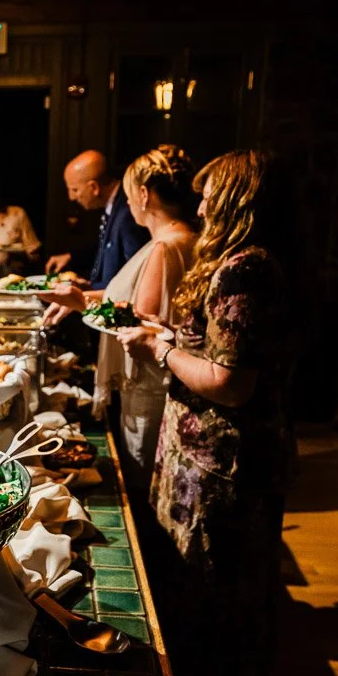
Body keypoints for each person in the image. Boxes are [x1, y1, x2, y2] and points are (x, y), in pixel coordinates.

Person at [118, 149, 297, 676]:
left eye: (209, 193)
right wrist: (170, 338)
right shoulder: (241, 259)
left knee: (215, 578)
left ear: (238, 199)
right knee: (195, 577)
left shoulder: (248, 267)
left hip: (220, 459)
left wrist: (159, 347)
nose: (199, 203)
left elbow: (229, 382)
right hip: (200, 449)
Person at [89, 145, 197, 490]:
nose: (128, 204)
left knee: (141, 479)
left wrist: (82, 305)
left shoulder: (164, 247)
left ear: (144, 194)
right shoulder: (189, 237)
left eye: (128, 195)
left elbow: (144, 323)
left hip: (149, 386)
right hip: (167, 381)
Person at [46, 149, 148, 289]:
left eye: (75, 190)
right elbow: (108, 249)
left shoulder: (127, 214)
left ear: (94, 187)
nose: (71, 197)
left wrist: (86, 294)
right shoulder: (114, 206)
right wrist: (73, 257)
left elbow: (134, 280)